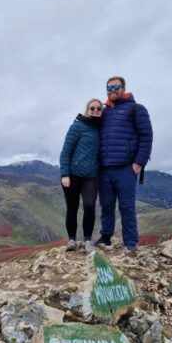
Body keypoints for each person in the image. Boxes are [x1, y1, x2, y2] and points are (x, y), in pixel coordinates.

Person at [96, 76, 153, 252]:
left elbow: (146, 136)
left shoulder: (136, 109)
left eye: (116, 87)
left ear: (123, 87)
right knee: (106, 206)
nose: (112, 90)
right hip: (104, 168)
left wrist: (139, 163)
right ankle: (105, 237)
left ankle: (131, 243)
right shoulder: (103, 112)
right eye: (109, 87)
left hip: (125, 168)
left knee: (127, 206)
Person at [59, 98, 102, 253]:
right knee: (72, 207)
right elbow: (65, 152)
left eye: (99, 108)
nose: (95, 111)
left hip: (91, 176)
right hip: (73, 174)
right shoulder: (77, 127)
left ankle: (88, 241)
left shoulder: (100, 128)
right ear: (87, 109)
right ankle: (71, 240)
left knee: (90, 206)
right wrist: (65, 174)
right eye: (92, 108)